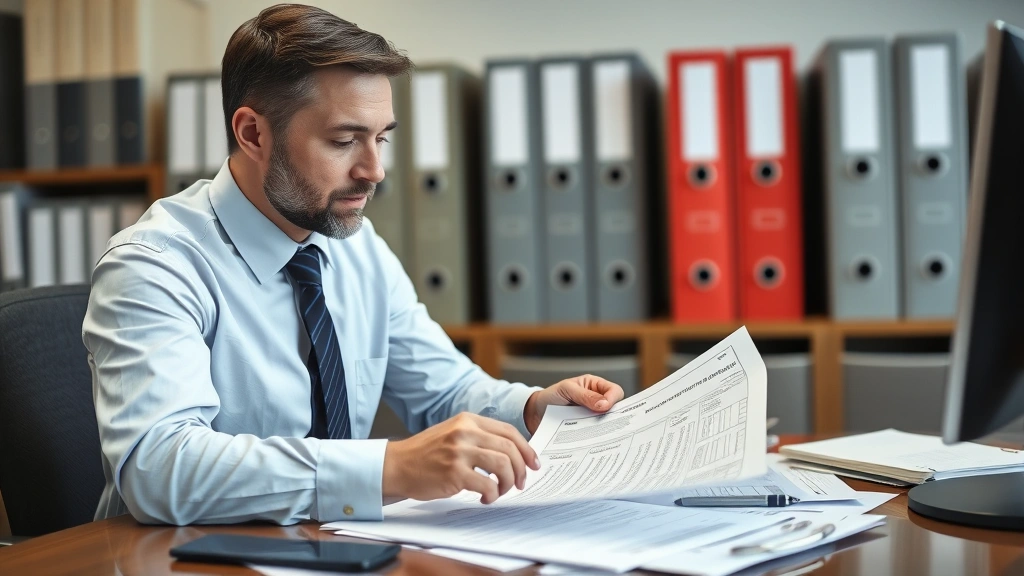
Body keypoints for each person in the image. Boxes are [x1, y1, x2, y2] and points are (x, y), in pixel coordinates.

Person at [83, 3, 624, 526]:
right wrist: (390, 468)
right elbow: (161, 468)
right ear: (252, 134)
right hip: (184, 559)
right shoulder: (154, 266)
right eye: (344, 141)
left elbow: (442, 391)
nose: (375, 171)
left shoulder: (353, 245)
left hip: (331, 545)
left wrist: (531, 408)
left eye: (381, 139)